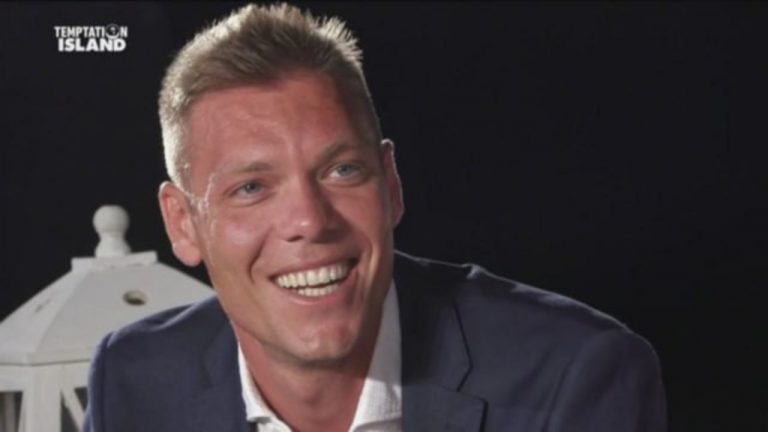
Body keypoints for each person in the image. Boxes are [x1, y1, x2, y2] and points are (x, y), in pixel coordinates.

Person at [84, 3, 667, 431]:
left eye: (342, 171)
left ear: (390, 184)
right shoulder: (132, 379)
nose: (310, 221)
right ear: (183, 223)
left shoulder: (575, 378)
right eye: (252, 188)